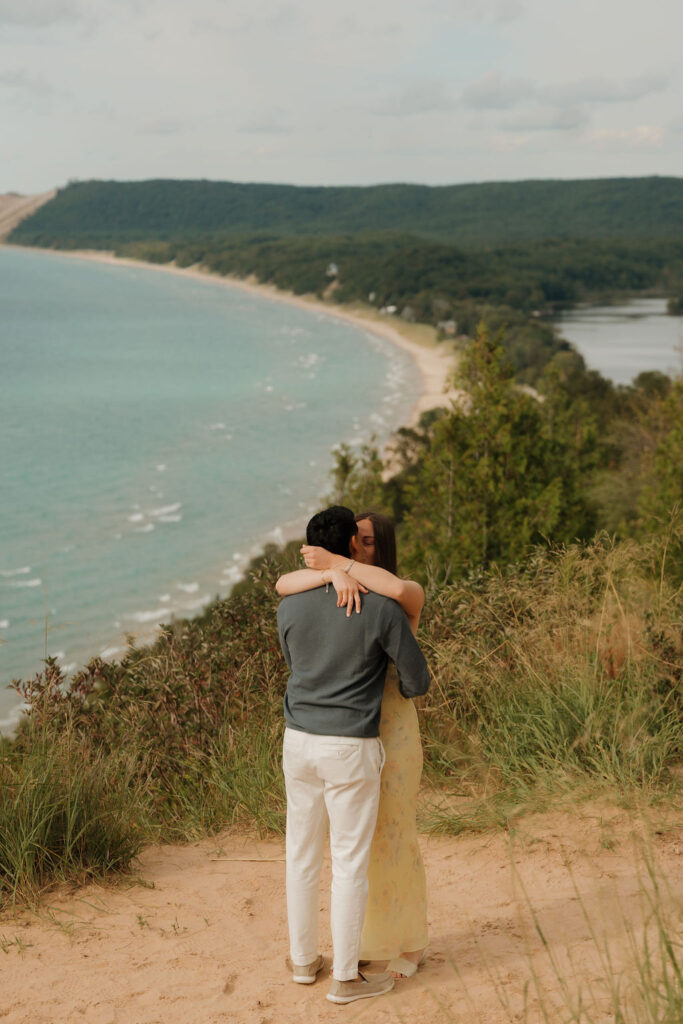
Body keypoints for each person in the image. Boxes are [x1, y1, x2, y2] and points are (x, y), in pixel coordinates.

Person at [277, 506, 430, 1005]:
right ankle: (346, 976)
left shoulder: (290, 607)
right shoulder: (381, 610)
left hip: (298, 738)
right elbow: (416, 681)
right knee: (349, 862)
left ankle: (303, 961)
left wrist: (334, 570)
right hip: (352, 741)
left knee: (300, 855)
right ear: (349, 544)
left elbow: (295, 657)